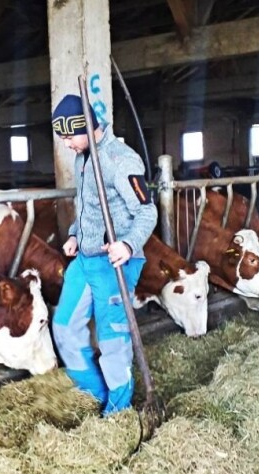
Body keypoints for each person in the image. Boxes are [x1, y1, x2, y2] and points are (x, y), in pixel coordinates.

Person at [50, 94, 157, 415]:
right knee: (64, 326)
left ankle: (118, 411)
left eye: (69, 136)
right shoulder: (82, 158)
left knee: (112, 340)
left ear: (87, 126)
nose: (66, 144)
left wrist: (127, 244)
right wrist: (73, 235)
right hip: (86, 258)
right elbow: (87, 209)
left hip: (116, 262)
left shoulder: (121, 160)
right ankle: (92, 395)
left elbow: (147, 211)